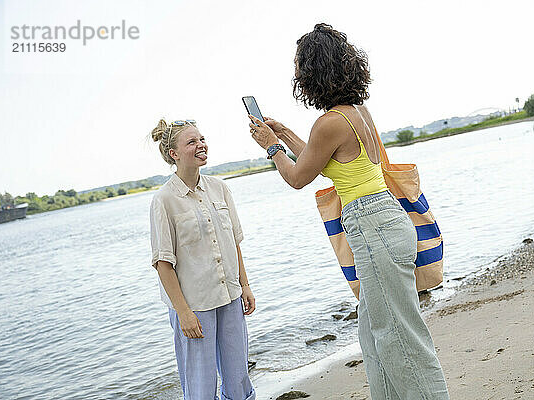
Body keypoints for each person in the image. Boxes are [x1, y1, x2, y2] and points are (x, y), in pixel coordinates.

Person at [248, 23, 449, 399]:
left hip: (373, 227)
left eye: (299, 69)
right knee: (374, 334)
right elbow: (324, 158)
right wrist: (285, 134)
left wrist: (272, 146)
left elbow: (297, 176)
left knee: (400, 339)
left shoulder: (330, 124)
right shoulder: (355, 112)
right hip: (385, 221)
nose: (296, 77)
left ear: (313, 73)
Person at [149, 119, 256, 400]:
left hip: (230, 296)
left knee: (238, 378)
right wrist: (183, 313)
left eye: (202, 139)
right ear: (174, 153)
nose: (201, 145)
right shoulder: (164, 200)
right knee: (200, 386)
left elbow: (234, 242)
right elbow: (163, 264)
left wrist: (244, 285)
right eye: (192, 142)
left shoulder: (220, 188)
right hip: (194, 307)